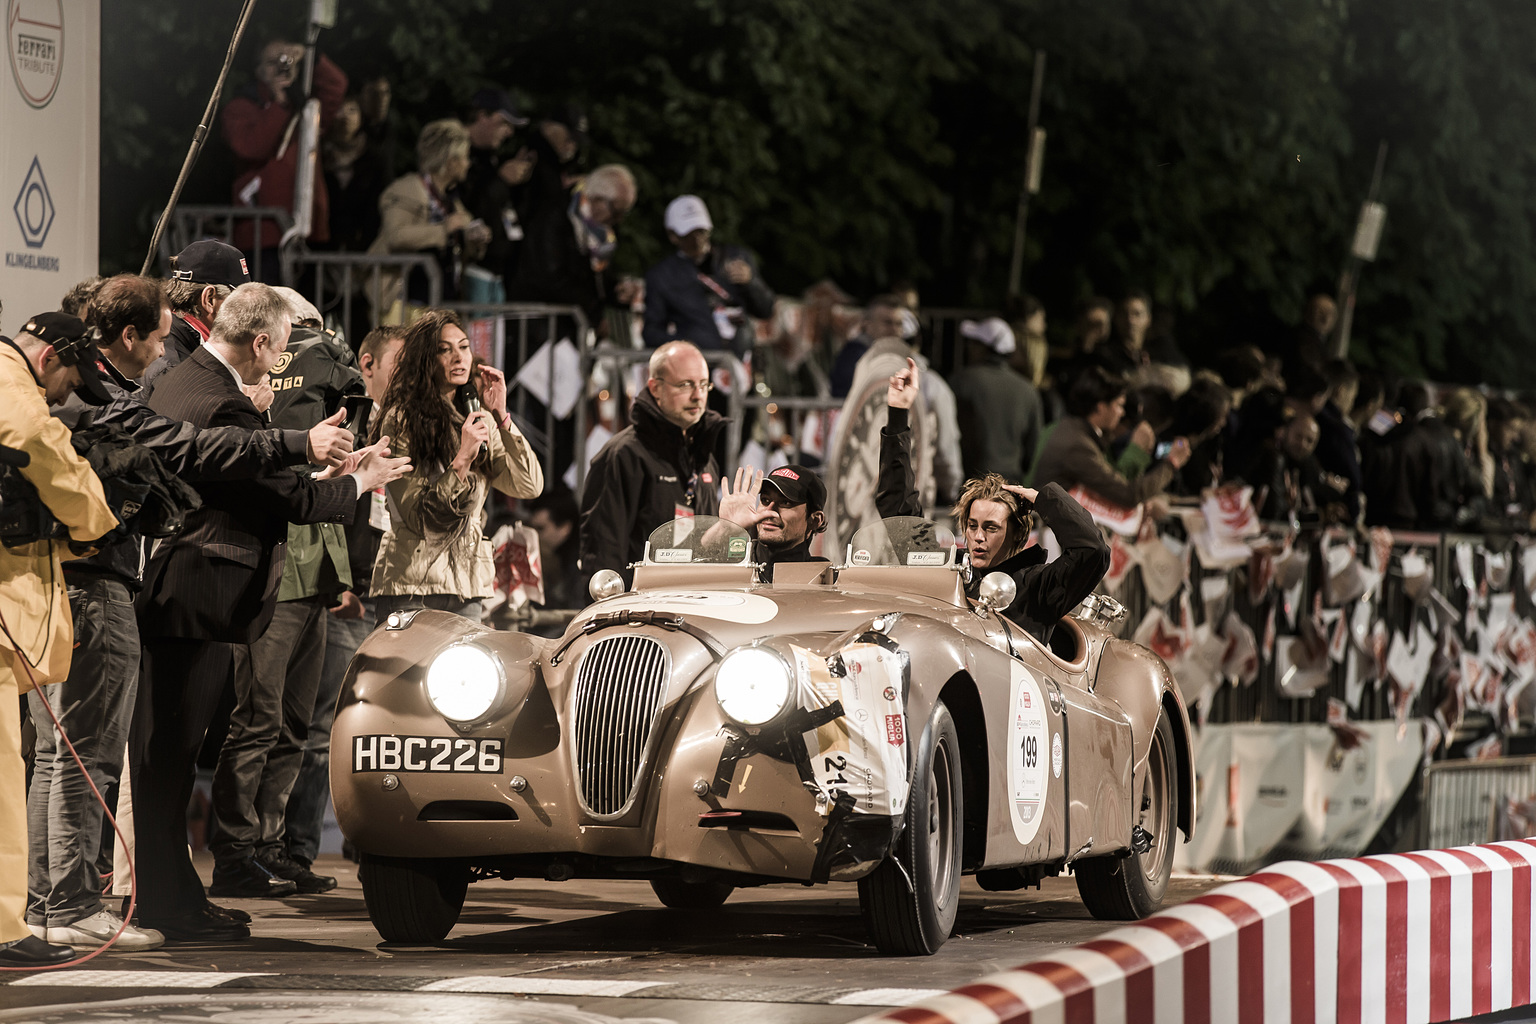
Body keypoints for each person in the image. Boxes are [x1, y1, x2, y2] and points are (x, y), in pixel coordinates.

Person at [131, 283, 409, 942]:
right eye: (281, 350)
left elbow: (264, 485)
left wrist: (325, 472)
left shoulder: (192, 381)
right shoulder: (221, 400)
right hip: (198, 596)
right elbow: (287, 501)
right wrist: (359, 484)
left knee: (169, 759)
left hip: (187, 592)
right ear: (259, 342)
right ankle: (168, 902)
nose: (280, 364)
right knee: (171, 759)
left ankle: (171, 895)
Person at [205, 289, 366, 901]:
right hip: (274, 571)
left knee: (297, 721)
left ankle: (271, 847)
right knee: (256, 718)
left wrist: (342, 576)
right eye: (303, 328)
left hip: (316, 572)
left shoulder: (320, 382)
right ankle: (235, 852)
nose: (311, 341)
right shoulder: (246, 391)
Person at [0, 313, 120, 966]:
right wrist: (95, 521)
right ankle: (0, 925)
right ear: (46, 357)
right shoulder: (11, 387)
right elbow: (39, 443)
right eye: (66, 385)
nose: (61, 401)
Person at [879, 358, 1108, 647]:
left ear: (1016, 534)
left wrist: (1043, 499)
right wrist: (898, 414)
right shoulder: (947, 572)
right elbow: (899, 511)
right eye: (972, 525)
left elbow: (1094, 551)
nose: (977, 537)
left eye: (991, 528)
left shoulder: (1038, 587)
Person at [286, 325, 405, 874]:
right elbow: (329, 501)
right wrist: (341, 584)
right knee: (317, 730)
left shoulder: (417, 425)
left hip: (395, 603)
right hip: (348, 598)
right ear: (368, 363)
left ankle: (377, 852)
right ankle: (295, 852)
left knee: (390, 734)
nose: (409, 376)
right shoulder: (343, 420)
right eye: (400, 363)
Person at [370, 309, 544, 623]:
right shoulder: (401, 419)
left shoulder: (478, 419)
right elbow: (419, 517)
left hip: (468, 587)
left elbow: (528, 486)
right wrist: (462, 458)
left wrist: (503, 418)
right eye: (444, 349)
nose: (458, 357)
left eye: (463, 347)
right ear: (425, 359)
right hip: (413, 585)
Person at [579, 341, 725, 588]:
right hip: (638, 616)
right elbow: (604, 553)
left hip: (691, 609)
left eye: (703, 384)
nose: (697, 395)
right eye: (685, 384)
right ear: (655, 387)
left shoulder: (704, 459)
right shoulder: (623, 454)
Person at [222, 38, 348, 265]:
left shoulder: (305, 108)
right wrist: (279, 105)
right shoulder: (241, 107)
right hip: (263, 232)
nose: (283, 68)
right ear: (259, 71)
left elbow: (336, 87)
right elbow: (252, 147)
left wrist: (313, 56)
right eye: (274, 62)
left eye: (288, 62)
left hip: (307, 227)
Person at [370, 119, 492, 306]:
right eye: (465, 157)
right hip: (405, 302)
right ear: (451, 161)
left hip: (441, 302)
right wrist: (443, 230)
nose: (468, 164)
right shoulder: (405, 190)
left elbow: (463, 245)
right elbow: (395, 236)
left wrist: (475, 239)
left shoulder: (450, 200)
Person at [1030, 366, 1190, 507]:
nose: (1122, 413)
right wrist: (1171, 463)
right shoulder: (1079, 446)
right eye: (1119, 405)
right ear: (1100, 407)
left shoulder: (1068, 428)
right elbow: (1127, 494)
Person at [641, 195, 775, 356]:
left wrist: (751, 283)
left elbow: (766, 309)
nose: (697, 239)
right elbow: (651, 331)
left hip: (744, 360)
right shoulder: (662, 275)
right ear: (673, 235)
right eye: (689, 233)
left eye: (701, 231)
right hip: (701, 366)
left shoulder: (737, 257)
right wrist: (681, 346)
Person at [508, 163, 636, 330]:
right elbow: (552, 278)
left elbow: (595, 276)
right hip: (539, 322)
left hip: (567, 322)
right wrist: (595, 313)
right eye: (616, 211)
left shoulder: (603, 234)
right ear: (597, 199)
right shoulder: (555, 216)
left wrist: (616, 290)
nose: (618, 219)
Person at [143, 241, 252, 399]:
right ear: (209, 299)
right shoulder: (170, 357)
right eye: (240, 301)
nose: (246, 312)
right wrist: (247, 403)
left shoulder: (175, 336)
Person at [948, 317, 1043, 483]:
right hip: (1011, 485)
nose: (969, 348)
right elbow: (1033, 450)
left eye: (975, 343)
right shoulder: (1028, 390)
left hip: (971, 483)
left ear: (985, 348)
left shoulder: (961, 382)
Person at [459, 87, 535, 291]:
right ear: (482, 116)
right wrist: (501, 181)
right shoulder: (457, 156)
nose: (509, 132)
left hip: (496, 274)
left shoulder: (489, 160)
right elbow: (467, 211)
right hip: (472, 272)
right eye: (504, 123)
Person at [715, 465, 830, 580]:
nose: (769, 510)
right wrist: (724, 528)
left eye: (785, 502)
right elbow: (699, 560)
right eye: (765, 500)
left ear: (815, 521)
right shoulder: (734, 561)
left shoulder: (824, 577)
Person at [322, 94, 391, 253]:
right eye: (339, 110)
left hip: (362, 247)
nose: (346, 116)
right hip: (322, 246)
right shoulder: (316, 157)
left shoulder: (374, 159)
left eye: (352, 110)